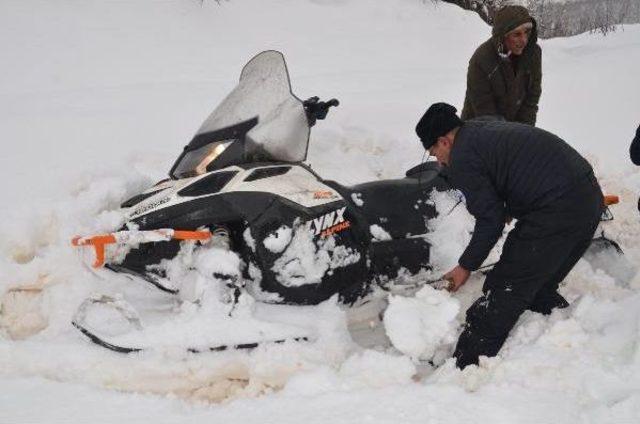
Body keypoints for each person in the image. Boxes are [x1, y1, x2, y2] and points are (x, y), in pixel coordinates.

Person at [415, 102, 603, 369]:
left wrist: (465, 266)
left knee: (504, 288)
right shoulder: (479, 130)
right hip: (588, 198)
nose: (439, 162)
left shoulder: (463, 156)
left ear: (445, 141)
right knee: (538, 283)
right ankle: (552, 334)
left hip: (556, 209)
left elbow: (490, 221)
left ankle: (464, 366)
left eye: (435, 153)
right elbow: (510, 171)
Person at [461, 5, 542, 125]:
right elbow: (485, 112)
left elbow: (531, 99)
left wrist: (525, 132)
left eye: (527, 32)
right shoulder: (481, 60)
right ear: (503, 36)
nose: (524, 40)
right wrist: (509, 138)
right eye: (517, 34)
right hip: (477, 128)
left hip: (512, 126)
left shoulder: (533, 53)